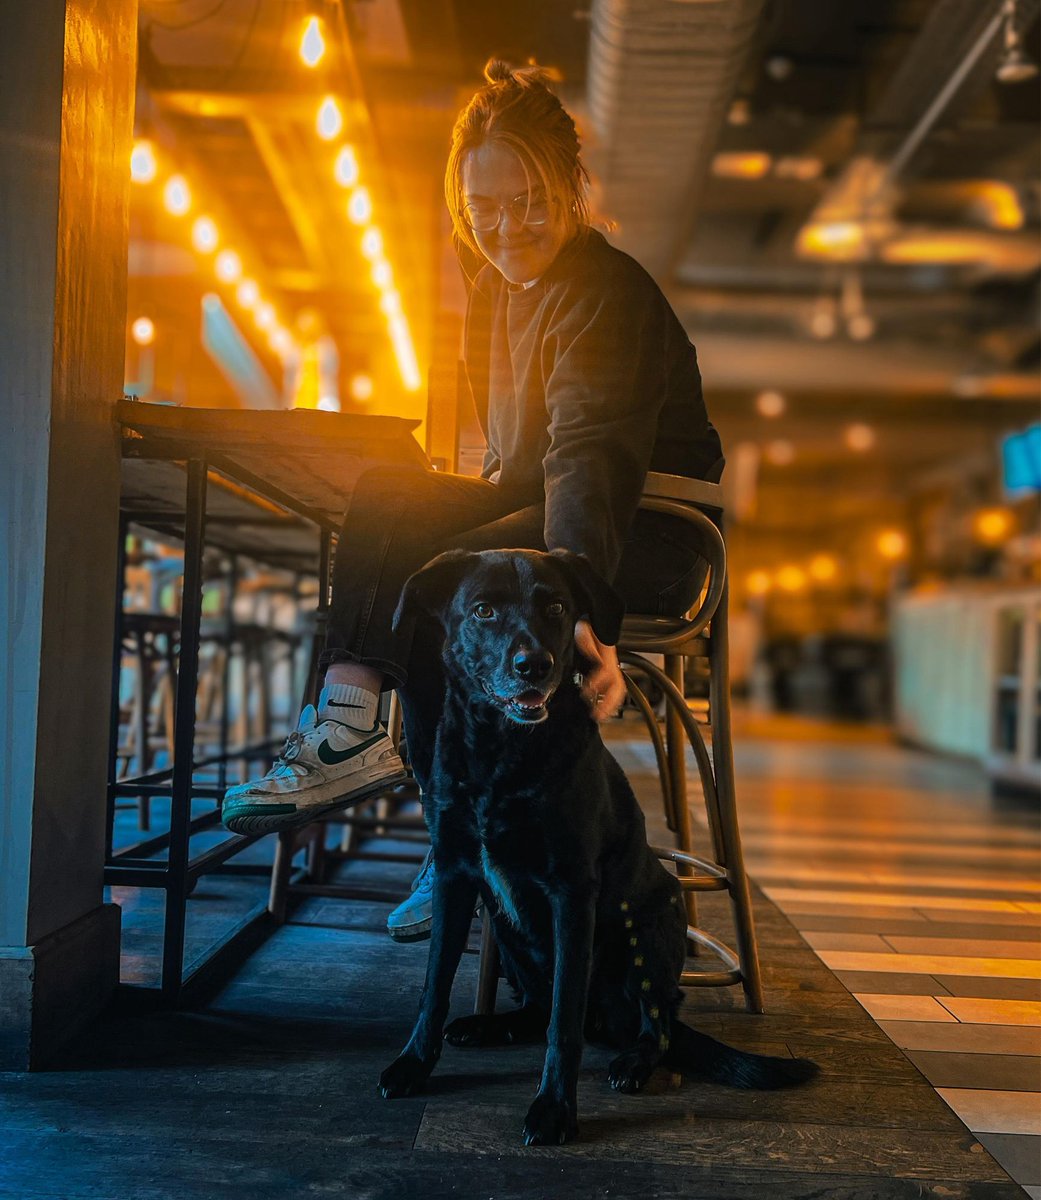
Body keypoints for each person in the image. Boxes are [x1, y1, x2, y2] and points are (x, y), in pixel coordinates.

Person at [222, 60, 724, 940]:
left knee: (459, 587)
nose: (506, 225)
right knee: (391, 500)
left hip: (645, 535)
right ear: (460, 203)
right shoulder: (496, 286)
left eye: (529, 201)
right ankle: (350, 729)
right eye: (483, 206)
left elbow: (588, 459)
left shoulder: (604, 294)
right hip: (556, 510)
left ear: (571, 189)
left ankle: (463, 842)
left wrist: (582, 613)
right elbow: (517, 463)